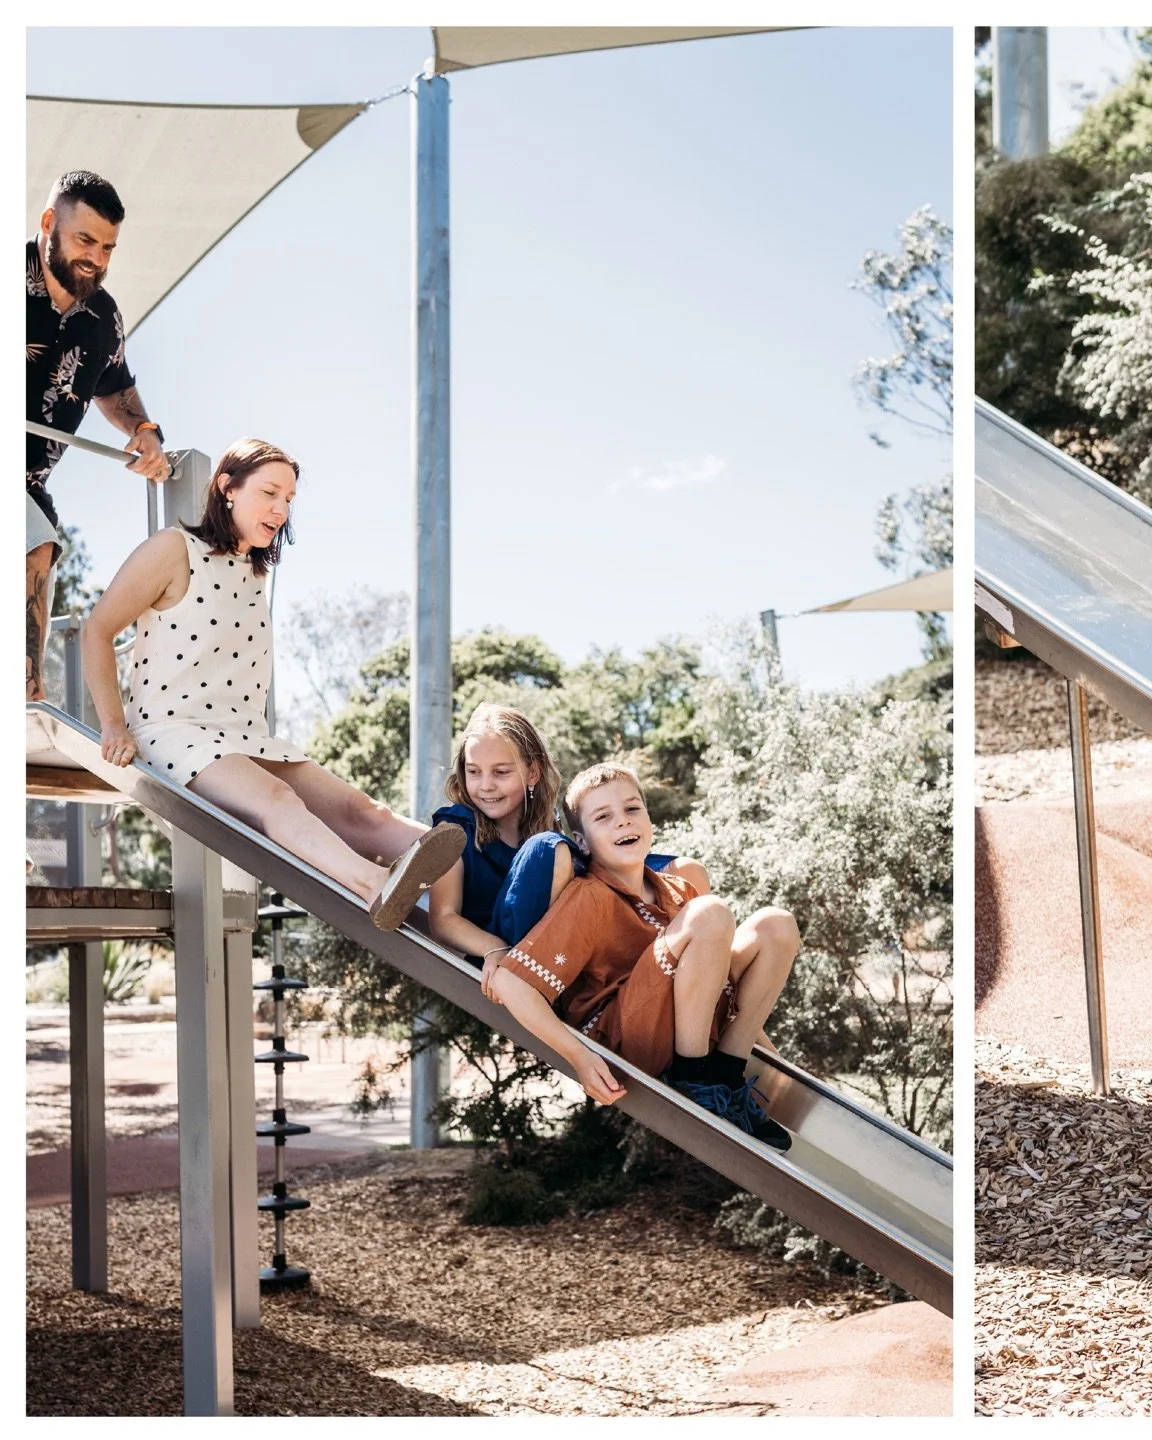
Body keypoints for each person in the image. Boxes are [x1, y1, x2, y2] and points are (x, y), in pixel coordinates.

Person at [82, 437, 464, 929]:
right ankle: (374, 887)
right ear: (227, 488)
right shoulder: (173, 549)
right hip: (174, 733)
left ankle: (478, 873)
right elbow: (97, 629)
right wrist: (114, 724)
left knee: (362, 810)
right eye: (269, 493)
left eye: (289, 499)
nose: (281, 509)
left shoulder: (253, 572)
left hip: (244, 735)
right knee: (279, 802)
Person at [490, 763, 800, 1150]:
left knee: (776, 924)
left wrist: (775, 1061)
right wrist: (580, 1059)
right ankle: (695, 1079)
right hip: (629, 1038)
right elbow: (511, 981)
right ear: (582, 841)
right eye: (603, 817)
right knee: (710, 913)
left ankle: (728, 1073)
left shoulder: (677, 890)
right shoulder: (590, 897)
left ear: (649, 820)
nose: (622, 821)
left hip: (686, 1023)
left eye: (632, 809)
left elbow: (720, 985)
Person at [427, 702, 708, 997]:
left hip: (569, 927)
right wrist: (492, 948)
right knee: (550, 847)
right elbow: (442, 919)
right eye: (474, 772)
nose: (486, 785)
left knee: (684, 871)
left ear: (532, 773)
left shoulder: (545, 824)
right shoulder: (456, 827)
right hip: (507, 948)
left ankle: (696, 979)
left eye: (500, 772)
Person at [27, 170, 171, 701]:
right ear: (49, 223)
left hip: (28, 482)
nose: (97, 258)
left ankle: (24, 695)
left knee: (38, 543)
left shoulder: (103, 318)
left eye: (108, 246)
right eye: (84, 239)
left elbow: (117, 388)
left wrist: (145, 429)